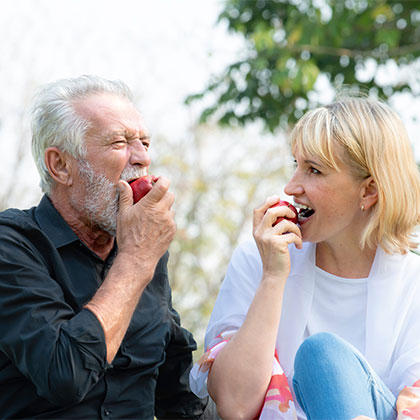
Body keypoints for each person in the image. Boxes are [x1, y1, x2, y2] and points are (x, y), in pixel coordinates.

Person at [190, 95, 420, 420]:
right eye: (295, 165)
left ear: (368, 191)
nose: (291, 186)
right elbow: (235, 405)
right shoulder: (257, 261)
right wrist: (272, 277)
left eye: (314, 170)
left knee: (323, 358)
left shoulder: (415, 285)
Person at [0, 75, 212, 419]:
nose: (142, 157)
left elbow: (177, 393)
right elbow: (65, 375)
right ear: (61, 166)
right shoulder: (12, 245)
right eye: (119, 142)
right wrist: (136, 260)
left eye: (144, 142)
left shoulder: (144, 250)